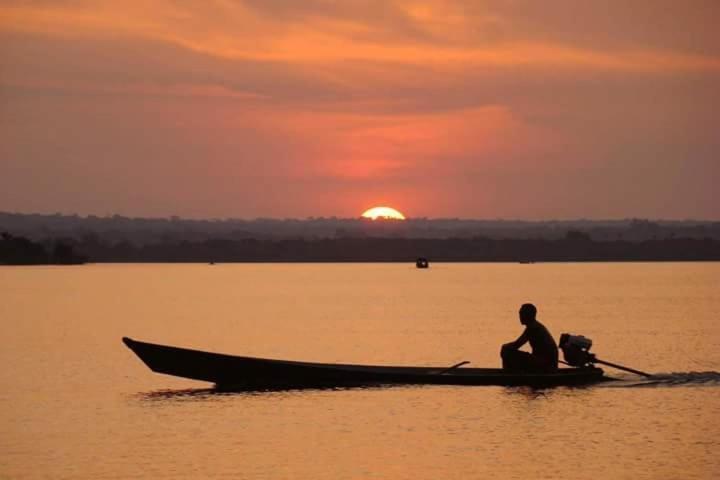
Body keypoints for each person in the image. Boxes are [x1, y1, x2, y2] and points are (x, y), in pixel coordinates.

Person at [501, 303, 558, 371]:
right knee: (508, 350)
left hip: (546, 365)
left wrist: (505, 347)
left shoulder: (533, 328)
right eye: (520, 313)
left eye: (522, 313)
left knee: (507, 351)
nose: (520, 316)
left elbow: (517, 345)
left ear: (528, 315)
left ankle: (508, 374)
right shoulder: (534, 326)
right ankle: (510, 373)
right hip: (545, 363)